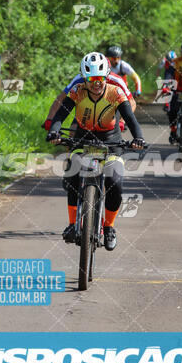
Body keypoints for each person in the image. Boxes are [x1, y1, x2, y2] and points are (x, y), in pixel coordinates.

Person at [47, 52, 145, 251]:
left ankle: (109, 227)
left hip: (111, 141)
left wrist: (138, 138)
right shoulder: (77, 91)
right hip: (83, 139)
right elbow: (61, 114)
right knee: (73, 176)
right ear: (84, 78)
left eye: (100, 79)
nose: (96, 83)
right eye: (91, 79)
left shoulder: (115, 92)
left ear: (106, 76)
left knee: (115, 182)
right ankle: (72, 224)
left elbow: (131, 119)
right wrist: (54, 131)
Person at [42, 60, 136, 132]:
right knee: (73, 130)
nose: (96, 81)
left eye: (100, 76)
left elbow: (131, 103)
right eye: (91, 78)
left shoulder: (117, 80)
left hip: (110, 111)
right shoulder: (80, 78)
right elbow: (61, 98)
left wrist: (122, 121)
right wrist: (50, 119)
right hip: (86, 111)